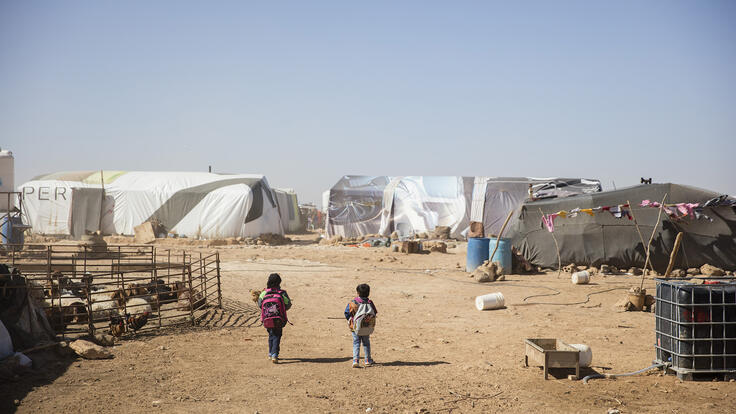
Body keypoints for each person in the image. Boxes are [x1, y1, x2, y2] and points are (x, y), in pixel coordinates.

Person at [258, 273, 292, 363]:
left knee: (271, 334)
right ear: (279, 282)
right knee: (277, 335)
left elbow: (260, 304)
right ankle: (274, 354)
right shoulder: (282, 293)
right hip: (278, 318)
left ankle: (270, 353)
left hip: (267, 318)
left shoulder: (264, 293)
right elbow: (288, 305)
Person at [344, 283, 377, 368]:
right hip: (366, 327)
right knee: (366, 343)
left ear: (357, 292)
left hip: (355, 328)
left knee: (356, 343)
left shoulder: (353, 303)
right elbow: (374, 312)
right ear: (368, 293)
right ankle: (367, 360)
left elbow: (347, 313)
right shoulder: (370, 303)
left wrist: (350, 319)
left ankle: (355, 360)